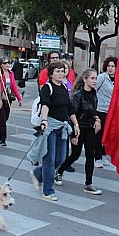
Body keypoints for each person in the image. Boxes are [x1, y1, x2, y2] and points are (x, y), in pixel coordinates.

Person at [28, 61, 80, 201]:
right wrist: (44, 120)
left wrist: (75, 124)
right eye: (57, 71)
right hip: (50, 128)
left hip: (62, 128)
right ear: (51, 74)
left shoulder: (64, 87)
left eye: (63, 71)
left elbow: (69, 108)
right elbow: (45, 104)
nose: (61, 73)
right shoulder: (47, 88)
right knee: (49, 159)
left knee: (61, 158)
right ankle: (48, 191)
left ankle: (38, 174)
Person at [56, 68, 103, 194]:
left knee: (90, 156)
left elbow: (93, 111)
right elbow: (72, 114)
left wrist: (97, 119)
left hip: (90, 128)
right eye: (92, 78)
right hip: (79, 128)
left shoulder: (93, 93)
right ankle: (59, 171)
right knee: (75, 155)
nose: (95, 81)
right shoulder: (78, 95)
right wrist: (73, 134)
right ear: (84, 79)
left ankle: (88, 184)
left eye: (96, 78)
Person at [0, 57, 22, 146]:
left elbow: (14, 86)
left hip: (7, 99)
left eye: (9, 62)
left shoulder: (11, 73)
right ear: (1, 65)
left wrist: (19, 98)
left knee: (5, 118)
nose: (7, 64)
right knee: (2, 119)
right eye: (5, 63)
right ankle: (2, 139)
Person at [94, 56, 117, 168]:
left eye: (113, 66)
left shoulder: (118, 79)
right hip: (100, 109)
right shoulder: (102, 77)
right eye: (108, 66)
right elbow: (93, 90)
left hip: (112, 111)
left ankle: (103, 155)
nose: (110, 68)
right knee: (99, 134)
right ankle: (97, 157)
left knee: (108, 135)